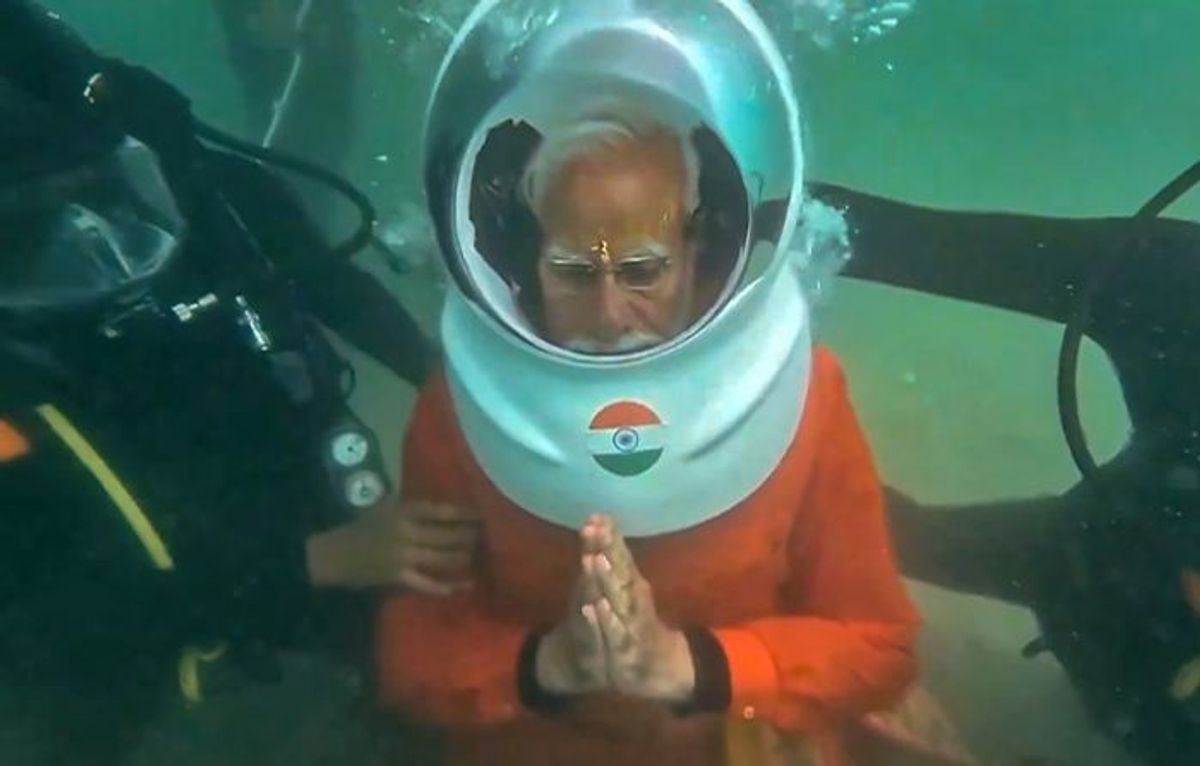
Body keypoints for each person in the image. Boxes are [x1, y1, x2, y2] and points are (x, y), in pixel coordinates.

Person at [375, 2, 919, 765]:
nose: (609, 313)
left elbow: (881, 645)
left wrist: (685, 665)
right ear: (522, 264)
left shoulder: (809, 390)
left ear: (699, 252)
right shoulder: (457, 403)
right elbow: (413, 655)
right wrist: (548, 665)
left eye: (642, 270)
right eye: (571, 273)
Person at [0, 1, 465, 763]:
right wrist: (317, 561)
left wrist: (448, 384)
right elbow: (51, 632)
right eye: (30, 238)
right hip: (160, 700)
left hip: (342, 576)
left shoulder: (167, 161)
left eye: (106, 202)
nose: (101, 247)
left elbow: (310, 262)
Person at [799, 178, 1200, 766]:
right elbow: (885, 238)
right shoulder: (1172, 284)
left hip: (1101, 592)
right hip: (1096, 576)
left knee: (891, 537)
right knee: (876, 534)